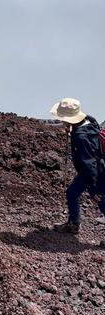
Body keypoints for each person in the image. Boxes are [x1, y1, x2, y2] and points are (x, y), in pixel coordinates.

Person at [50, 97, 105, 237]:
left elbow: (89, 162)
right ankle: (73, 224)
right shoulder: (89, 121)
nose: (61, 120)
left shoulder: (81, 137)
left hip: (96, 173)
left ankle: (73, 223)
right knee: (72, 193)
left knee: (101, 202)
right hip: (89, 171)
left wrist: (93, 188)